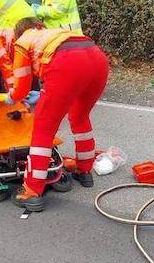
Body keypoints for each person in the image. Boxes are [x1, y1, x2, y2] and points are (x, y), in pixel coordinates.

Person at [6, 18, 109, 211]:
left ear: (19, 32)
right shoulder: (54, 34)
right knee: (80, 116)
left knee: (43, 127)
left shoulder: (23, 40)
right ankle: (84, 170)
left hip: (67, 64)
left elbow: (21, 85)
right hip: (97, 59)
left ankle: (32, 191)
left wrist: (12, 97)